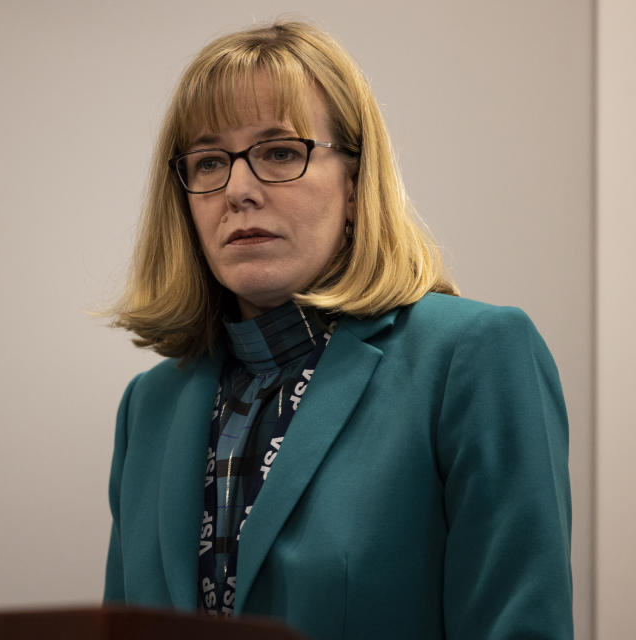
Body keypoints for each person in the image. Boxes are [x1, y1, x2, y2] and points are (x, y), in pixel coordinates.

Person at [103, 21, 572, 640]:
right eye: (210, 161)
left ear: (354, 183)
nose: (238, 191)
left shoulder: (474, 356)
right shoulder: (149, 406)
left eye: (278, 152)